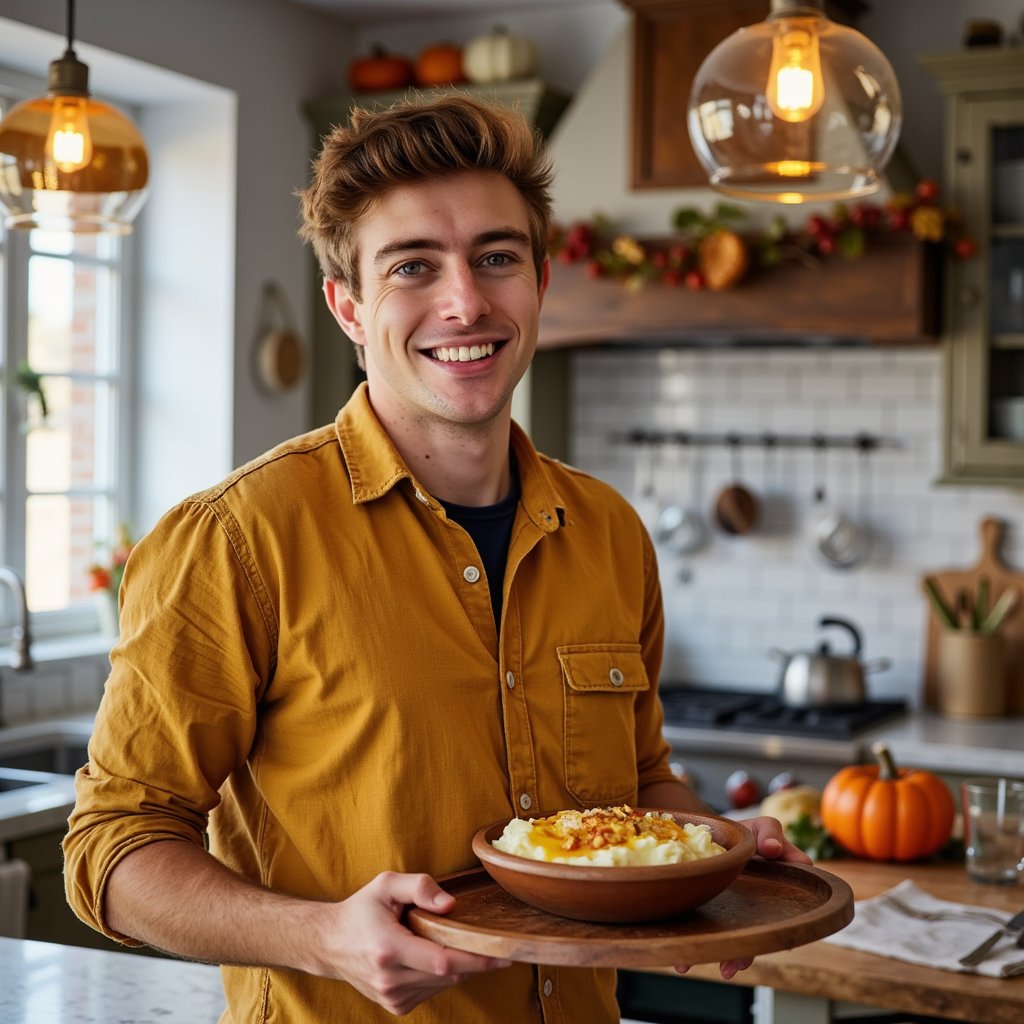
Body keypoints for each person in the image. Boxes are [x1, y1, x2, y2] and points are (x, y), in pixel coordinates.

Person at [63, 95, 810, 1023]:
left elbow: (642, 781)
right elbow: (111, 847)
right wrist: (323, 937)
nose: (465, 301)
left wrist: (714, 853)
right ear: (348, 306)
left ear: (539, 282)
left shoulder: (610, 530)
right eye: (412, 267)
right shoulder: (236, 538)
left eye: (496, 257)